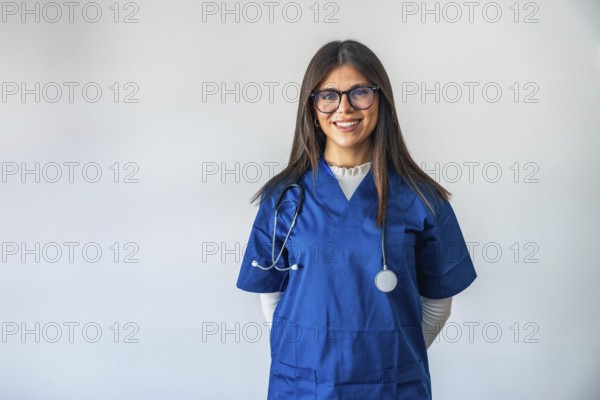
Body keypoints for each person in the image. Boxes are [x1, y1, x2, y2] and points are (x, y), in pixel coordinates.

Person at [236, 39, 477, 399]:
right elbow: (270, 296)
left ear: (381, 100)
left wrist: (391, 358)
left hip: (393, 386)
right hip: (303, 386)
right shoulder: (284, 198)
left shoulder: (422, 198)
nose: (344, 107)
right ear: (312, 107)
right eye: (329, 95)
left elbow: (439, 303)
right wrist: (303, 355)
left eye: (360, 92)